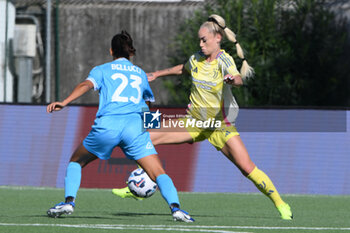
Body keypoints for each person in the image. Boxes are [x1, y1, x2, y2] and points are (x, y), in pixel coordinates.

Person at [112, 15, 293, 220]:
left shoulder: (224, 60)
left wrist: (231, 80)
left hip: (218, 125)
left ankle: (281, 204)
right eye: (199, 40)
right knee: (145, 136)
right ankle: (139, 184)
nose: (200, 43)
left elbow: (239, 79)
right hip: (193, 122)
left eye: (204, 40)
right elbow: (183, 68)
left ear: (217, 38)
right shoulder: (196, 58)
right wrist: (157, 74)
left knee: (247, 167)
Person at [46, 30, 194, 222]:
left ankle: (68, 202)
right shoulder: (140, 73)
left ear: (111, 51)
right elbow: (148, 104)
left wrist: (65, 102)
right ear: (130, 53)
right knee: (158, 173)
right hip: (134, 129)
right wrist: (149, 130)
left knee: (76, 161)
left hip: (107, 126)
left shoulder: (101, 69)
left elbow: (85, 85)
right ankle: (176, 209)